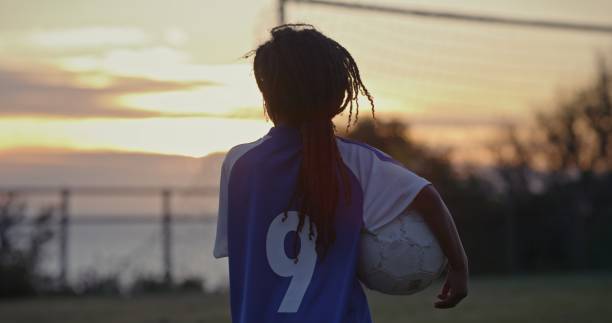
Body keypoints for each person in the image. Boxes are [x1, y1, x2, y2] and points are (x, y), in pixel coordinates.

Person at [213, 23, 468, 323]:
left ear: (267, 94)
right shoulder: (356, 162)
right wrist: (459, 266)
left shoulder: (239, 163)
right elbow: (426, 196)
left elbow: (242, 254)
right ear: (337, 95)